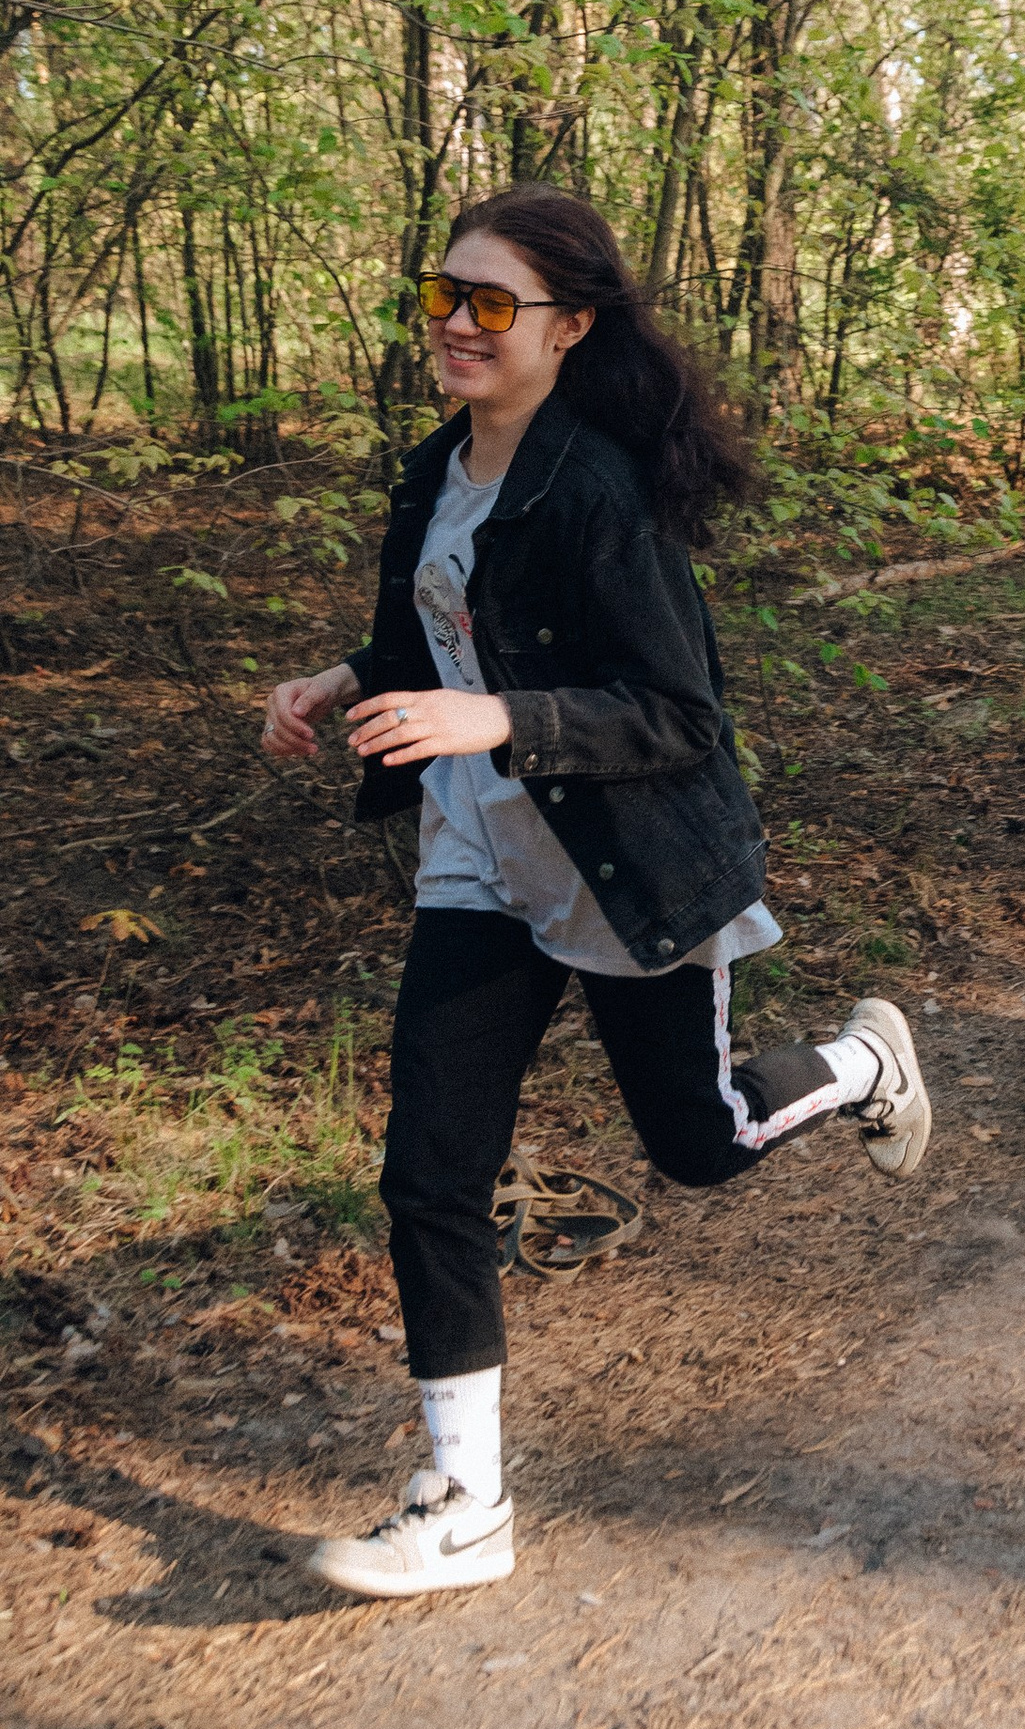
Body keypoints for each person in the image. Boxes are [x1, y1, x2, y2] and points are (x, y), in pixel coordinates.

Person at [262, 188, 930, 1599]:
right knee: (430, 1171)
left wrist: (496, 720)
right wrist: (348, 680)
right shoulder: (434, 470)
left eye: (491, 305)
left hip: (626, 867)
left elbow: (678, 714)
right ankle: (464, 1498)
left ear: (568, 329)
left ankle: (866, 1062)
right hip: (479, 866)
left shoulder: (604, 491)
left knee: (700, 1145)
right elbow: (437, 630)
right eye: (441, 295)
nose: (454, 324)